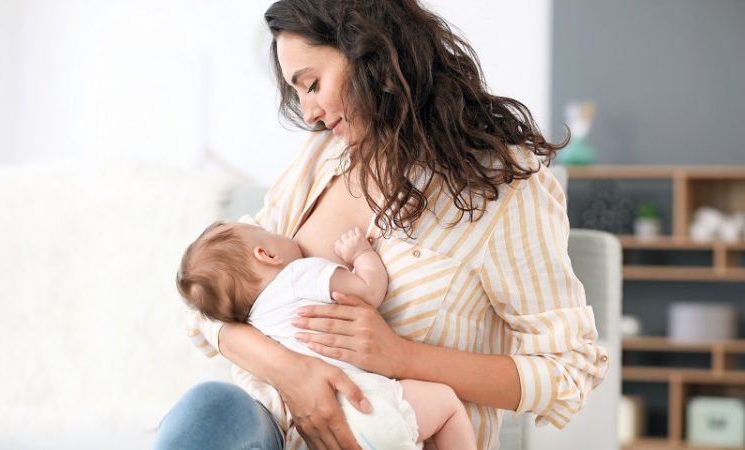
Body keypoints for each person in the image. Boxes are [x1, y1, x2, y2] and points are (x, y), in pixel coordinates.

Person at [154, 1, 610, 449]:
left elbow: (568, 369)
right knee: (209, 407)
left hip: (393, 435)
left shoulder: (501, 187)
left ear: (369, 51)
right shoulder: (322, 156)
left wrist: (401, 357)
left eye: (312, 84)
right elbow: (205, 305)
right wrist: (290, 371)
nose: (308, 113)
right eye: (299, 93)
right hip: (274, 433)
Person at [175, 221, 477, 450]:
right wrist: (362, 254)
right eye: (270, 233)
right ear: (267, 254)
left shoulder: (255, 324)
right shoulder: (298, 275)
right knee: (448, 405)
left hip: (318, 436)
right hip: (368, 406)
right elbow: (370, 291)